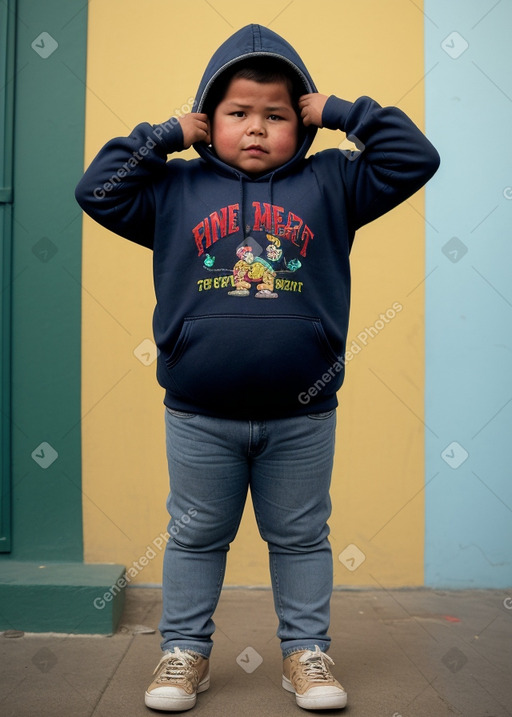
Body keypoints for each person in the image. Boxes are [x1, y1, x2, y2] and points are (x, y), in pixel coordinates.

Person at [75, 23, 439, 713]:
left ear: (299, 120)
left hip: (302, 412)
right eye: (237, 113)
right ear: (207, 120)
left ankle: (305, 653)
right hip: (198, 412)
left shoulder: (333, 181)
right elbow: (96, 189)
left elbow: (413, 156)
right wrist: (162, 136)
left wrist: (340, 112)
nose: (255, 129)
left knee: (301, 536)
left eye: (276, 114)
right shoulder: (171, 189)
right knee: (193, 535)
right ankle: (184, 653)